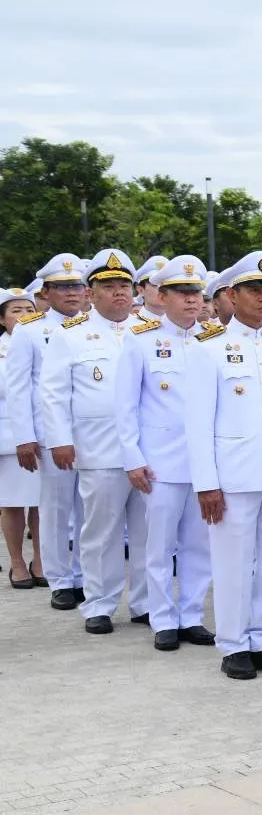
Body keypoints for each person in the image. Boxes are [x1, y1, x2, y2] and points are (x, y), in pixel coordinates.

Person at [185, 251, 262, 680]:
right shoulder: (209, 349)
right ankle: (233, 644)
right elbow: (196, 423)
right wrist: (206, 484)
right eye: (255, 290)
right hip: (232, 473)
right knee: (233, 560)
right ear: (232, 295)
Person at [39, 249, 150, 635]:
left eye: (124, 285)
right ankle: (99, 604)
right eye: (109, 286)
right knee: (100, 531)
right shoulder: (70, 336)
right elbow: (51, 393)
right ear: (91, 292)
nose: (119, 293)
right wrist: (59, 439)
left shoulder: (147, 332)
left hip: (147, 450)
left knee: (146, 531)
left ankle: (145, 603)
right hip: (98, 448)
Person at [115, 255, 216, 651]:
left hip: (205, 463)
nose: (192, 300)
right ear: (163, 295)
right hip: (160, 462)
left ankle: (191, 615)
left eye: (196, 293)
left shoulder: (215, 341)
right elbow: (125, 407)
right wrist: (133, 458)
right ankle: (162, 619)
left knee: (199, 544)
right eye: (183, 293)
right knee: (158, 546)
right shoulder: (140, 342)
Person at [8, 254, 85, 602]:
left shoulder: (96, 326)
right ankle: (60, 580)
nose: (71, 293)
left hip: (93, 435)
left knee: (91, 513)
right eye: (63, 287)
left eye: (76, 286)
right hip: (50, 435)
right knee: (55, 509)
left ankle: (86, 575)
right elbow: (18, 387)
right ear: (47, 292)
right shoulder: (30, 330)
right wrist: (24, 437)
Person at [0, 288, 42, 587]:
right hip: (7, 437)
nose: (25, 315)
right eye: (16, 310)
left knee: (42, 503)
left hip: (42, 434)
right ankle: (16, 563)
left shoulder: (46, 341)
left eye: (29, 309)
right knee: (13, 504)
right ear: (2, 320)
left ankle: (41, 560)